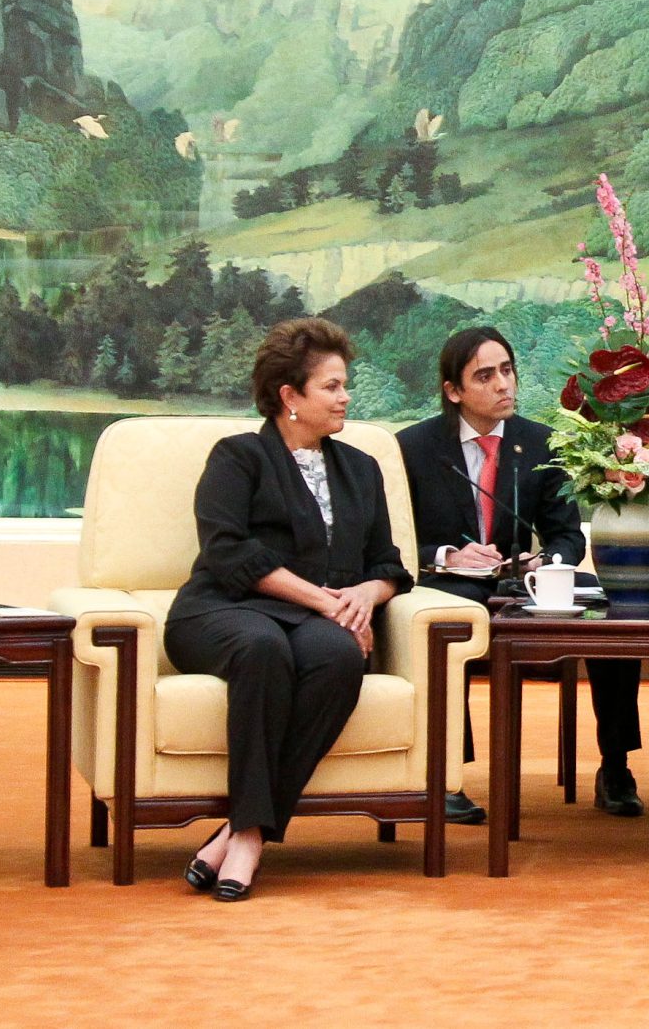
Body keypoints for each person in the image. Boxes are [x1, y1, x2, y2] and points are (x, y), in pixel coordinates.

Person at [167, 317, 413, 901]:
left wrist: (365, 597)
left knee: (337, 659)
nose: (345, 396)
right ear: (290, 397)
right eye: (331, 386)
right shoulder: (238, 457)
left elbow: (390, 564)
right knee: (262, 648)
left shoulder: (361, 468)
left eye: (344, 384)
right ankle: (250, 835)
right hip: (220, 610)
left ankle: (234, 829)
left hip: (315, 621)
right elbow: (228, 553)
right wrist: (329, 600)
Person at [399, 325, 646, 820]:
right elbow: (393, 537)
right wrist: (448, 555)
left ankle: (615, 765)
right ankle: (446, 775)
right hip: (449, 581)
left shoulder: (541, 443)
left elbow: (568, 536)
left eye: (507, 371)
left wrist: (542, 562)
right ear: (454, 391)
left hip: (524, 581)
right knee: (449, 621)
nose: (503, 386)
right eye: (485, 376)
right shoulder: (413, 448)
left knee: (610, 610)